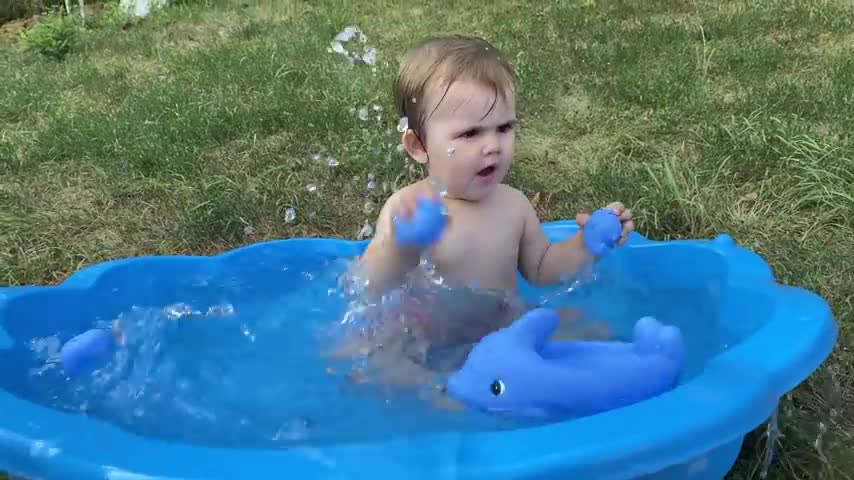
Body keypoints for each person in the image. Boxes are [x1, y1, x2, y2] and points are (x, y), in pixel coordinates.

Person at [335, 35, 633, 386]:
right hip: (426, 338)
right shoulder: (410, 208)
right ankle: (432, 395)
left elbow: (542, 270)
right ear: (419, 146)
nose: (492, 145)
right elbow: (369, 285)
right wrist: (403, 245)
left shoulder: (513, 204)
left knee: (588, 329)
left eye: (504, 128)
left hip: (500, 332)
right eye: (471, 133)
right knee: (379, 356)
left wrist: (586, 245)